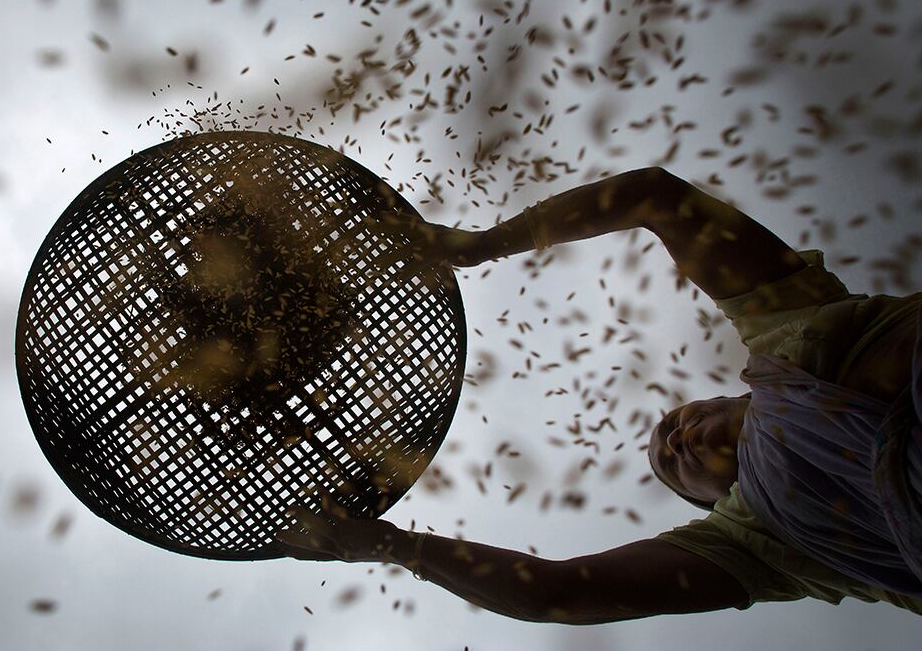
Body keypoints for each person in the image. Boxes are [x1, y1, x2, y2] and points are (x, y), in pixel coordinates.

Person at [274, 166, 922, 622]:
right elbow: (555, 593)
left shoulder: (791, 328)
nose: (676, 438)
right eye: (672, 462)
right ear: (712, 502)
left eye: (675, 422)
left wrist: (478, 246)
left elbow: (656, 197)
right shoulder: (763, 545)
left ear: (737, 396)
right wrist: (391, 546)